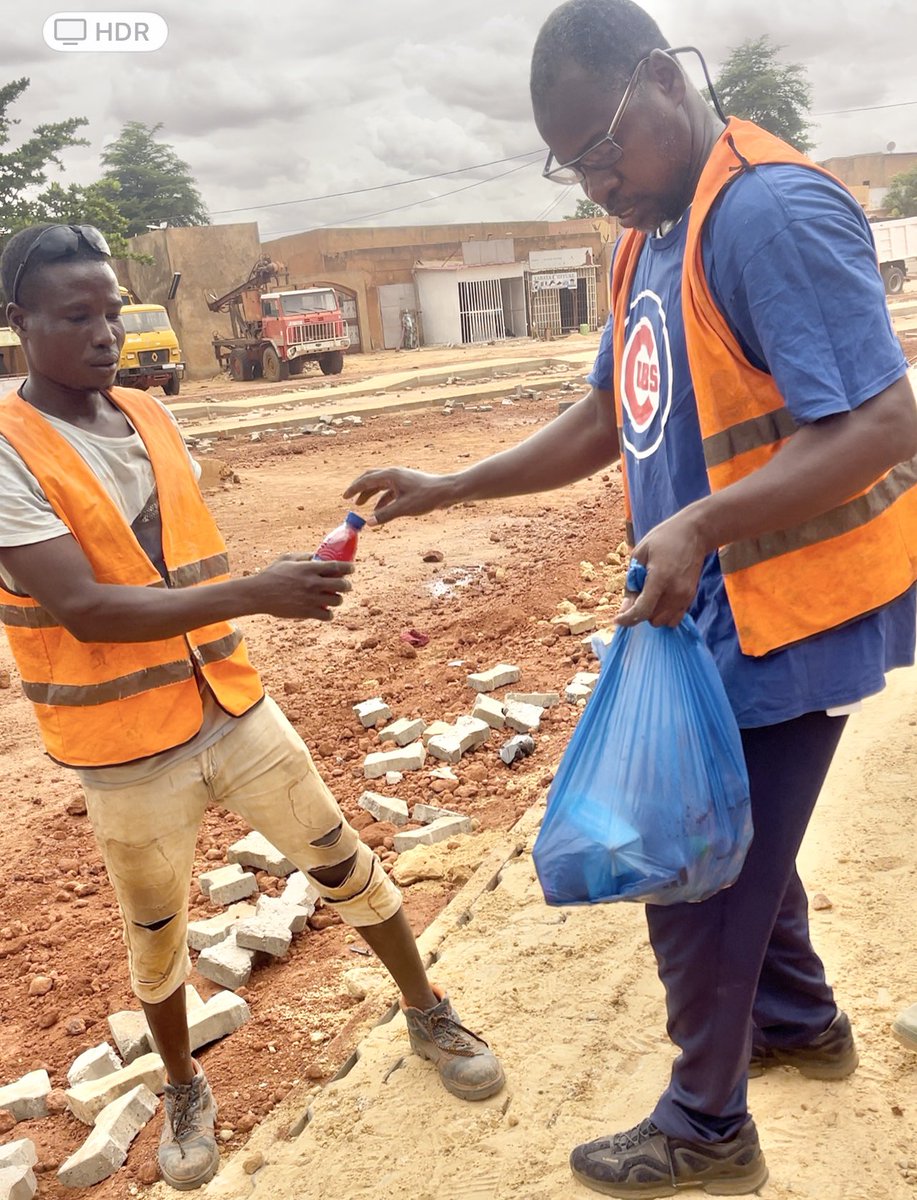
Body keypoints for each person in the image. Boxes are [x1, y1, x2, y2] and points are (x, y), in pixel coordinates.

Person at [344, 1, 917, 1194]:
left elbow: (880, 421)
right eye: (573, 164)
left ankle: (705, 1124)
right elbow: (613, 415)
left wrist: (701, 522)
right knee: (735, 834)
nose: (597, 179)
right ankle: (799, 1024)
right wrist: (449, 482)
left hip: (782, 600)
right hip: (710, 603)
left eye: (606, 147)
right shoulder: (647, 233)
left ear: (664, 78)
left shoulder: (764, 212)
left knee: (686, 861)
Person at [0, 224, 504, 1193]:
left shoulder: (149, 414)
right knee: (154, 932)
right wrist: (257, 595)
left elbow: (174, 552)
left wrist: (316, 553)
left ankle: (426, 1007)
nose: (106, 333)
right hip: (125, 746)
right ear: (19, 323)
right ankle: (186, 1086)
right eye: (78, 316)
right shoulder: (7, 449)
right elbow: (86, 608)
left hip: (229, 701)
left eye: (113, 311)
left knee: (340, 857)